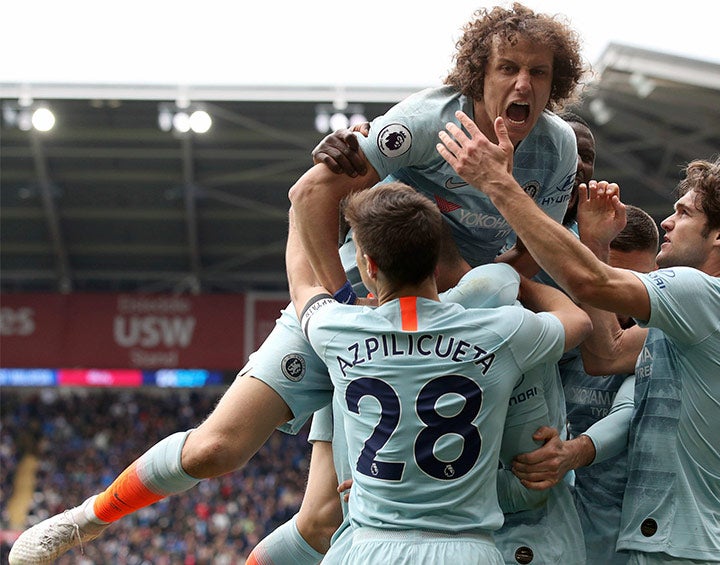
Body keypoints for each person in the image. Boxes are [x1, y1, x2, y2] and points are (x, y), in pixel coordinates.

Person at [9, 5, 586, 564]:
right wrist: (351, 305)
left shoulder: (556, 148)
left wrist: (480, 284)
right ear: (478, 75)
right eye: (508, 67)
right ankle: (85, 519)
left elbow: (536, 249)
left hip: (473, 320)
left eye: (538, 72)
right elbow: (312, 193)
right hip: (371, 292)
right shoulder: (429, 122)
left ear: (554, 81)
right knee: (219, 448)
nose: (523, 83)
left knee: (515, 486)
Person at [437, 110, 720, 564]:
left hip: (679, 552)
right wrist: (597, 244)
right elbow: (605, 354)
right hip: (705, 547)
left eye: (684, 213)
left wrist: (499, 186)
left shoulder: (705, 292)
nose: (668, 221)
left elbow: (590, 284)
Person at [286, 178, 590, 563]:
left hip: (373, 548)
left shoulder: (337, 329)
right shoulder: (499, 332)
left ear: (369, 264)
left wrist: (301, 205)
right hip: (468, 549)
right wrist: (515, 280)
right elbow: (577, 321)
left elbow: (303, 283)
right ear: (435, 260)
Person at [560, 204, 659, 565]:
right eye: (610, 279)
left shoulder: (656, 337)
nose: (620, 301)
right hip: (545, 527)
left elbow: (627, 411)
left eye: (633, 284)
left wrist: (573, 452)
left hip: (619, 538)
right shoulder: (553, 327)